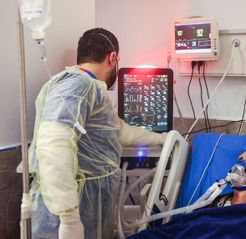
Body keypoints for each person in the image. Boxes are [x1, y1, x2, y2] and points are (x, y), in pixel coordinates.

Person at [18, 28, 167, 239]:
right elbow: (53, 144)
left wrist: (161, 139)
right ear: (112, 58)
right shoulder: (78, 84)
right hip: (64, 219)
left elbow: (117, 130)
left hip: (86, 210)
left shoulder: (90, 89)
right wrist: (69, 217)